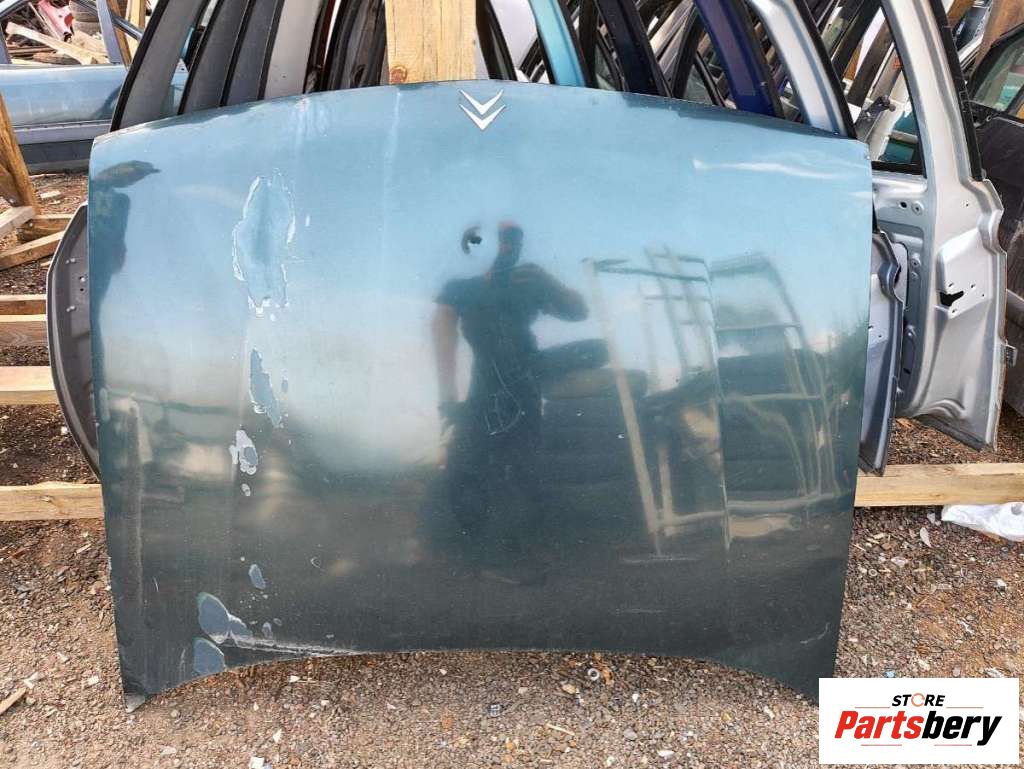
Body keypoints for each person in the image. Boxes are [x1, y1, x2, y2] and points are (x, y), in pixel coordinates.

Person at [431, 222, 587, 582]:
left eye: (514, 240)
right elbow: (442, 334)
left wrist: (549, 280)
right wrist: (447, 398)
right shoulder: (461, 288)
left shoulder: (530, 284)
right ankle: (482, 553)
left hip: (525, 384)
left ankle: (512, 549)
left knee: (523, 465)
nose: (507, 247)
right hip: (486, 385)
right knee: (468, 464)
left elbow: (579, 312)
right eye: (502, 240)